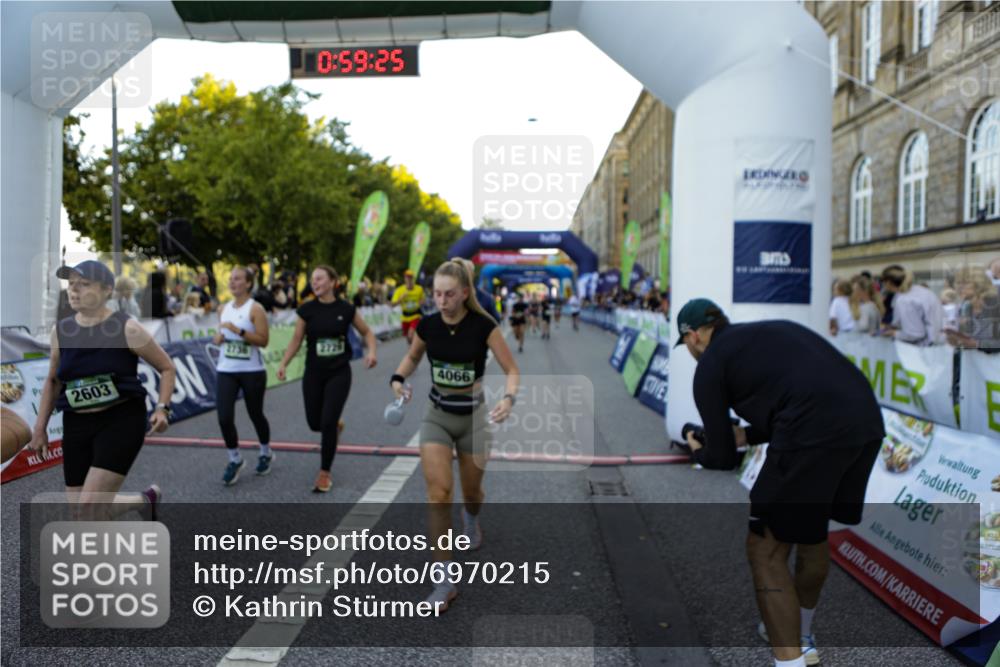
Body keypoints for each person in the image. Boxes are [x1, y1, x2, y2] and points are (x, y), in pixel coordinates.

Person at [676, 298, 884, 667]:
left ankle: (789, 661)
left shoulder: (710, 364)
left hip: (811, 430)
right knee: (812, 530)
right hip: (865, 421)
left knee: (765, 549)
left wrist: (697, 449)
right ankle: (802, 635)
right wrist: (747, 436)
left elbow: (721, 459)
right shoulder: (771, 331)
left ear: (692, 337)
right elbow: (796, 395)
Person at [389, 259, 519, 613]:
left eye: (449, 294)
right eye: (437, 294)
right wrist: (397, 380)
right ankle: (444, 582)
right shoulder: (428, 326)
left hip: (474, 419)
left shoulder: (483, 326)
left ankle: (472, 517)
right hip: (437, 418)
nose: (441, 301)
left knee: (472, 492)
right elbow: (412, 358)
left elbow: (511, 370)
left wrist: (508, 398)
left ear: (464, 293)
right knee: (439, 492)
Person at [28, 260, 176, 520]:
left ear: (107, 290)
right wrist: (40, 429)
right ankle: (144, 501)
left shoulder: (126, 328)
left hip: (120, 420)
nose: (74, 290)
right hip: (76, 423)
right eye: (71, 284)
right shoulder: (61, 331)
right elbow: (53, 381)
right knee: (81, 511)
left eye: (84, 284)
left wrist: (162, 408)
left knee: (88, 509)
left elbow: (166, 367)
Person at [277, 266, 377, 492]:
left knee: (327, 421)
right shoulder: (307, 309)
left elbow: (367, 332)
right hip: (313, 373)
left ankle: (324, 473)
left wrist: (372, 352)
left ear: (333, 282)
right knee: (315, 423)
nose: (315, 282)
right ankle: (333, 428)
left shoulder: (346, 308)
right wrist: (283, 363)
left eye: (320, 278)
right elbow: (296, 339)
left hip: (339, 372)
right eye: (313, 279)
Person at [213, 267, 273, 485]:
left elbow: (263, 341)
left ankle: (266, 452)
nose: (232, 282)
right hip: (226, 369)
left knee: (255, 413)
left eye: (237, 279)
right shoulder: (223, 308)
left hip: (252, 371)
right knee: (224, 417)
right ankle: (234, 458)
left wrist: (239, 331)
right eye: (230, 279)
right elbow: (220, 334)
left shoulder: (255, 309)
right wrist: (218, 338)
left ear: (248, 284)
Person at [879, 265, 944, 345]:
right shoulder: (921, 291)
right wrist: (893, 327)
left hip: (922, 349)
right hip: (938, 345)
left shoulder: (905, 299)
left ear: (888, 283)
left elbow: (915, 333)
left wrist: (893, 333)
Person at [947, 266, 1000, 351]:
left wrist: (978, 344)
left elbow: (977, 342)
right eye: (958, 283)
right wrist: (958, 341)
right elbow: (971, 339)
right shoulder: (968, 307)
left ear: (979, 284)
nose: (960, 287)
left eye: (965, 283)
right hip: (976, 362)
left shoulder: (996, 303)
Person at [392, 269, 426, 344]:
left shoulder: (419, 289)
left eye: (410, 277)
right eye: (407, 277)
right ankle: (412, 350)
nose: (409, 279)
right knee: (408, 337)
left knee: (411, 334)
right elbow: (393, 304)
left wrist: (421, 302)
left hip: (415, 315)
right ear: (405, 278)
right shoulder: (399, 290)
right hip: (405, 317)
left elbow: (423, 300)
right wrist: (401, 298)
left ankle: (413, 351)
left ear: (413, 279)